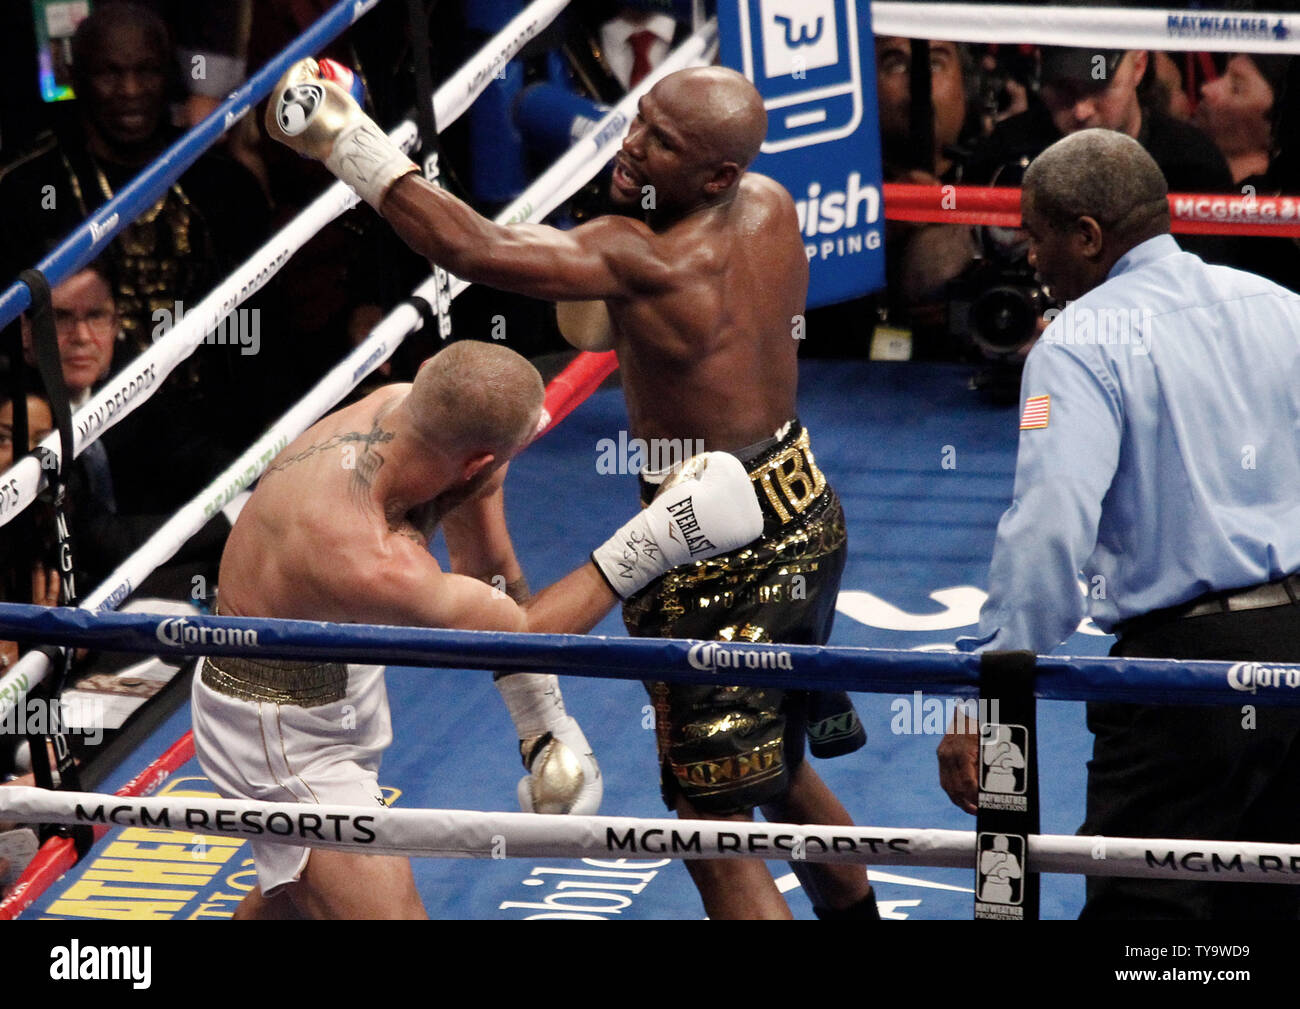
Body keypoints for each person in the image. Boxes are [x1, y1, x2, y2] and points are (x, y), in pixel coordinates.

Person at [263, 58, 876, 920]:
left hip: (717, 544)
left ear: (715, 174)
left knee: (711, 823)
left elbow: (470, 247)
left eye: (662, 143)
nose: (631, 144)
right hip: (804, 506)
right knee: (781, 760)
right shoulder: (770, 204)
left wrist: (346, 139)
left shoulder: (638, 255)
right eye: (639, 120)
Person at [191, 339, 764, 919]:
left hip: (339, 666)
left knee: (301, 894)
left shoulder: (417, 408)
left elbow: (485, 572)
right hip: (278, 731)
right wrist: (656, 539)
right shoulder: (363, 553)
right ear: (477, 462)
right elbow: (517, 630)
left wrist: (543, 726)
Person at [935, 128, 1300, 920]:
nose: (1030, 260)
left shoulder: (1078, 342)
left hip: (1187, 679)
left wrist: (991, 687)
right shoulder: (1281, 308)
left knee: (1146, 931)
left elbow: (1048, 527)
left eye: (1036, 239)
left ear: (1089, 236)